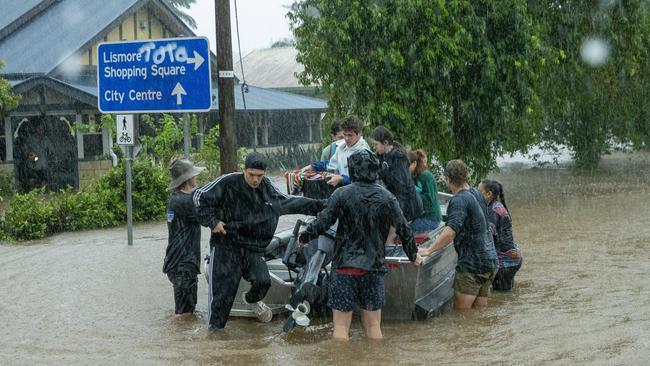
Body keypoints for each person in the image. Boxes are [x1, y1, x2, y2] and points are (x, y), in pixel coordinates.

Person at [193, 152, 325, 332]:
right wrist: (211, 221)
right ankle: (215, 335)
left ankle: (252, 300)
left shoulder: (266, 189)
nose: (255, 180)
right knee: (221, 298)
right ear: (244, 170)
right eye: (251, 175)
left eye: (259, 176)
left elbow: (289, 202)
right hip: (226, 246)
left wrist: (323, 206)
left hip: (253, 248)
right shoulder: (227, 182)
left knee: (263, 281)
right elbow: (198, 197)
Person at [299, 150, 423, 340]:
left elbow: (323, 221)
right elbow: (404, 228)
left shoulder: (341, 194)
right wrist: (413, 255)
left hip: (343, 268)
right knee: (374, 326)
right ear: (375, 171)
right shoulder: (387, 197)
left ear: (352, 170)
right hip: (373, 268)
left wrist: (305, 237)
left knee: (340, 328)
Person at [418, 160, 497, 310]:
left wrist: (428, 250)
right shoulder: (476, 193)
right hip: (490, 261)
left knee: (462, 318)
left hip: (472, 266)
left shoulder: (459, 200)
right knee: (480, 314)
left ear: (447, 178)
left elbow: (450, 232)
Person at [162, 159, 206, 316]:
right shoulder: (185, 202)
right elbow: (209, 214)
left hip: (178, 263)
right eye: (194, 174)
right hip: (183, 265)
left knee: (188, 311)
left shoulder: (177, 199)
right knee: (184, 316)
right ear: (188, 178)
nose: (196, 177)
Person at [370, 126, 423, 222]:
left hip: (408, 207)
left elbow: (402, 190)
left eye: (375, 144)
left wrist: (398, 216)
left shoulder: (398, 158)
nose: (374, 147)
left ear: (385, 143)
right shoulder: (381, 155)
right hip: (394, 201)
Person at [302, 115, 370, 187]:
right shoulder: (341, 147)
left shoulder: (364, 153)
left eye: (350, 135)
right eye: (344, 134)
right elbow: (330, 165)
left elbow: (363, 181)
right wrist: (313, 166)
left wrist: (342, 179)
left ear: (359, 134)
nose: (346, 138)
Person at [478, 179, 523, 291]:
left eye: (479, 192)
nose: (476, 194)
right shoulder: (496, 206)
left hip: (505, 262)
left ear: (489, 194)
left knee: (502, 297)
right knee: (507, 294)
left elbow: (488, 237)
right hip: (512, 258)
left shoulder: (493, 211)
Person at [406, 149, 443, 232]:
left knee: (405, 231)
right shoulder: (414, 176)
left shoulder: (425, 176)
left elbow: (428, 200)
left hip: (431, 218)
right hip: (422, 216)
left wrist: (412, 191)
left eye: (406, 166)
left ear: (414, 164)